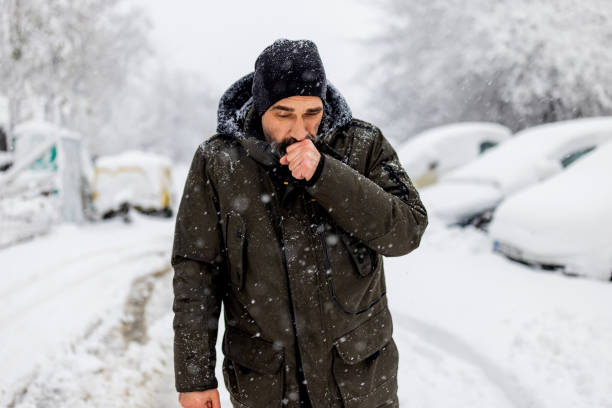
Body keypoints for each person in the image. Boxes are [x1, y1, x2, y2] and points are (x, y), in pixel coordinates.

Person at [172, 38, 429, 408]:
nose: (300, 129)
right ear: (260, 109)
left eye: (312, 112)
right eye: (283, 113)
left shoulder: (363, 146)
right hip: (266, 383)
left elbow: (407, 231)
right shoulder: (217, 162)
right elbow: (196, 273)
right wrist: (195, 377)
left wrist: (327, 175)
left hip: (357, 382)